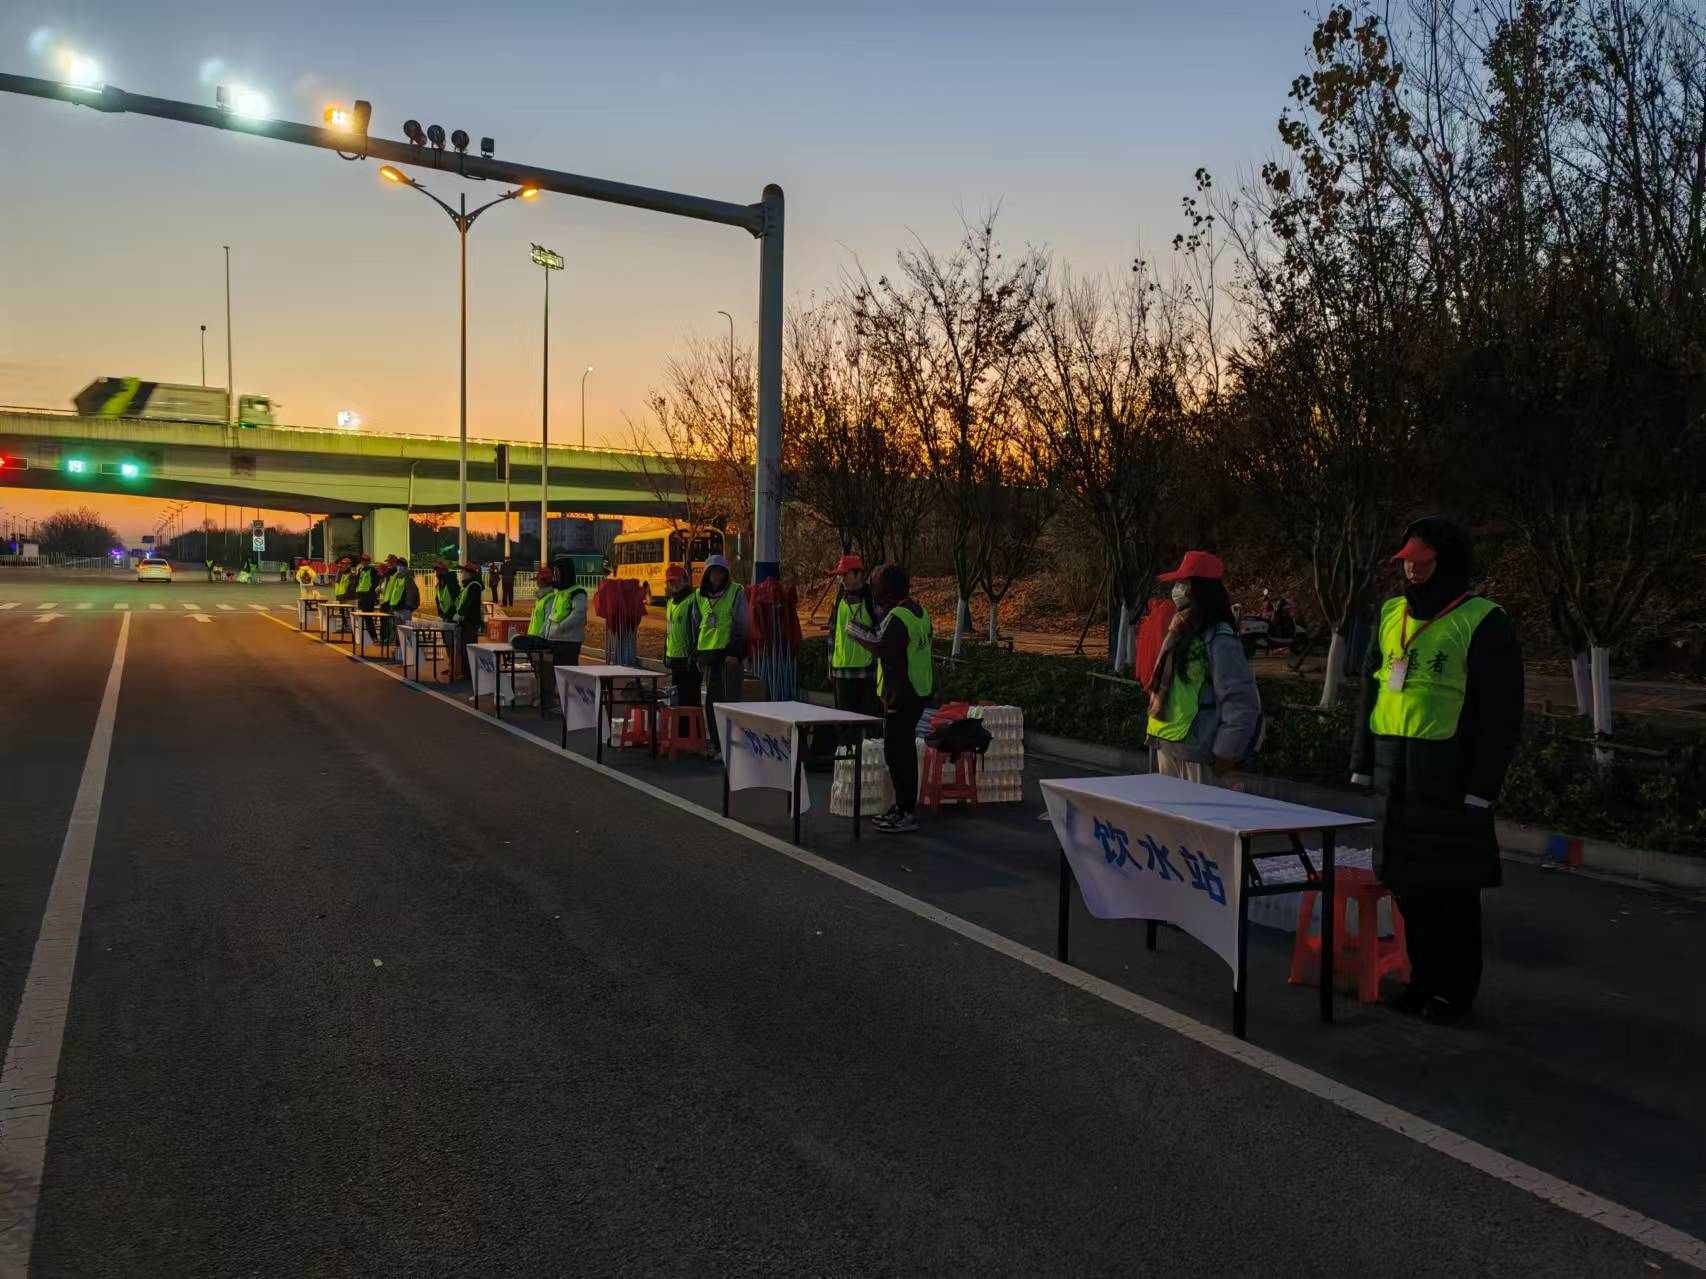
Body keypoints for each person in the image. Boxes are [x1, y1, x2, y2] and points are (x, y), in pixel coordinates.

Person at [1351, 516, 1523, 1025]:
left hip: (1449, 776)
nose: (1412, 571)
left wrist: (1482, 789)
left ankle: (1454, 992)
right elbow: (1370, 690)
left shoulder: (1483, 620)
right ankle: (1422, 979)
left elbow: (1501, 714)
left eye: (1422, 562)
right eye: (1406, 562)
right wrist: (1363, 761)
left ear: (1446, 562)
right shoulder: (1390, 614)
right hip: (1395, 774)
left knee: (1452, 891)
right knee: (1406, 886)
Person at [1144, 551, 1262, 783]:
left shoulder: (1219, 639)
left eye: (1183, 583)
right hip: (1165, 743)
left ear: (1198, 590)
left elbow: (1240, 700)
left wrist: (1226, 752)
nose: (1177, 589)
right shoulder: (1179, 630)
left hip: (1198, 752)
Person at [847, 564, 932, 834]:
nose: (872, 589)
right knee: (903, 752)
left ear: (888, 590)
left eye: (876, 584)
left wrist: (856, 632)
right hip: (917, 692)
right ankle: (902, 807)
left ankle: (906, 812)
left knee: (897, 755)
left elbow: (883, 648)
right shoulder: (920, 612)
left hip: (902, 696)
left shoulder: (898, 617)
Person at [694, 553, 750, 758]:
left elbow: (742, 625)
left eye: (720, 572)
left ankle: (732, 748)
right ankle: (717, 745)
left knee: (729, 703)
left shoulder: (736, 592)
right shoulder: (700, 595)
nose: (716, 576)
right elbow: (697, 624)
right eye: (712, 572)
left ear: (726, 574)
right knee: (712, 703)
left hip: (728, 657)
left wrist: (735, 653)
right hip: (709, 657)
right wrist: (698, 654)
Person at [662, 564, 701, 711]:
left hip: (688, 660)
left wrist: (694, 654)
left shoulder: (693, 601)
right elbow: (669, 630)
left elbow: (697, 629)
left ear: (685, 580)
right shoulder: (670, 603)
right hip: (674, 659)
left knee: (689, 703)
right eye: (670, 582)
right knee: (677, 702)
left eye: (677, 581)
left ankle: (690, 726)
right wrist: (665, 651)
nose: (674, 585)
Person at [452, 561, 485, 692]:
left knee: (469, 648)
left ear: (470, 573)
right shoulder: (467, 586)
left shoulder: (474, 586)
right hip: (465, 622)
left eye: (464, 571)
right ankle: (466, 673)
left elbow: (469, 603)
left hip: (470, 622)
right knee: (464, 649)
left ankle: (470, 674)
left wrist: (461, 614)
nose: (462, 574)